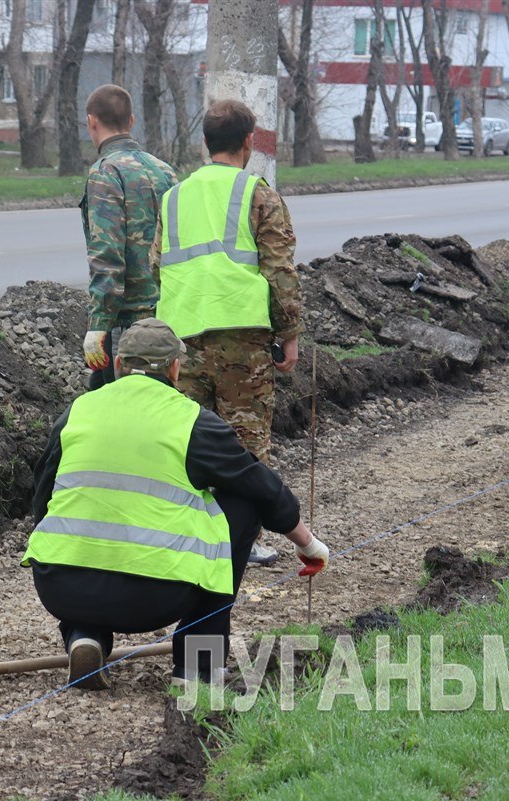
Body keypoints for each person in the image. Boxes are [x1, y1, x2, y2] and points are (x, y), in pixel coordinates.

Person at [23, 318, 330, 690]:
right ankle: (198, 667)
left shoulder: (76, 412)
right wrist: (309, 545)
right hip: (154, 599)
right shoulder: (192, 422)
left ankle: (84, 636)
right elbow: (263, 488)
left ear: (118, 365)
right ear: (174, 369)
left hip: (60, 588)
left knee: (82, 518)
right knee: (244, 503)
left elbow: (44, 501)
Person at [151, 99, 304, 566]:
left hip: (182, 340)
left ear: (204, 143)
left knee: (189, 442)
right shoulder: (257, 193)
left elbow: (157, 265)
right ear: (248, 143)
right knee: (244, 446)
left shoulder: (173, 197)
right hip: (241, 338)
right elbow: (279, 269)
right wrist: (290, 334)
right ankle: (241, 541)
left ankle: (189, 538)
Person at [80, 84, 178, 389]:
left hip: (127, 324)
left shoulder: (105, 173)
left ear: (91, 121)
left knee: (124, 407)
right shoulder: (166, 172)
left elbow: (107, 255)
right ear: (131, 121)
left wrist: (98, 326)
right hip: (166, 316)